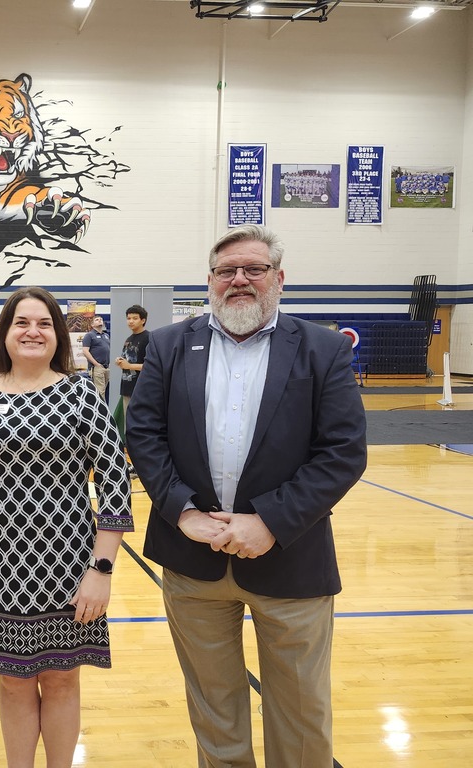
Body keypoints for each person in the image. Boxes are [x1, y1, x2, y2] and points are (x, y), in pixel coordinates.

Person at [126, 225, 367, 768]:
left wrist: (270, 522)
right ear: (209, 281)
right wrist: (182, 511)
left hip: (291, 560)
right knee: (214, 711)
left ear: (278, 278)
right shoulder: (168, 345)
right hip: (192, 562)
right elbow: (143, 437)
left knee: (302, 713)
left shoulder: (322, 349)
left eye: (253, 269)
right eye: (225, 271)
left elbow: (344, 452)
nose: (239, 280)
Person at [0, 286, 132, 768]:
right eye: (22, 322)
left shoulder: (80, 393)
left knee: (63, 678)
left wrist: (102, 570)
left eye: (44, 323)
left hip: (71, 567)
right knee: (13, 679)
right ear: (4, 332)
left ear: (57, 334)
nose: (33, 331)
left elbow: (114, 482)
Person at [115, 304, 150, 412]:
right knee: (128, 424)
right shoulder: (128, 339)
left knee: (139, 422)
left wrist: (129, 366)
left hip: (141, 390)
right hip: (127, 388)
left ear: (143, 320)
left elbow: (151, 366)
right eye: (128, 318)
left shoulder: (149, 338)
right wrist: (120, 361)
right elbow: (127, 360)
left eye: (135, 318)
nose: (131, 321)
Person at [81, 314, 110, 399]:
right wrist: (96, 364)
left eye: (101, 319)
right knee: (100, 392)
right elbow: (85, 351)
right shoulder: (89, 335)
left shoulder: (106, 336)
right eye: (97, 319)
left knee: (104, 390)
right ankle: (101, 412)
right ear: (92, 325)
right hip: (97, 367)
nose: (100, 320)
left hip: (106, 367)